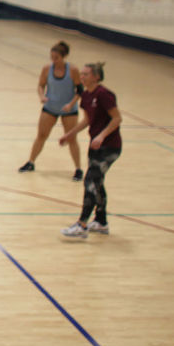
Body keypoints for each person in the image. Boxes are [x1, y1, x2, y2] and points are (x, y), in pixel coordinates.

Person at [58, 62, 122, 239]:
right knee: (98, 182)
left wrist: (102, 136)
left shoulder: (104, 95)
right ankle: (101, 222)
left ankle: (82, 224)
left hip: (109, 147)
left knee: (91, 182)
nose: (82, 77)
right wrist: (69, 134)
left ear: (96, 76)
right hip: (95, 146)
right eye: (82, 74)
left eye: (86, 74)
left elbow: (117, 118)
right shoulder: (85, 96)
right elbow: (87, 120)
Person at [18, 41, 84, 180]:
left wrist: (71, 104)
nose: (53, 60)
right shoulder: (47, 69)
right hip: (50, 107)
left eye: (56, 58)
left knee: (71, 138)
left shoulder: (72, 70)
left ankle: (78, 169)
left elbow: (80, 91)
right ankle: (31, 162)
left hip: (69, 109)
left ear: (64, 57)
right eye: (52, 57)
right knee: (41, 135)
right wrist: (42, 96)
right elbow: (41, 85)